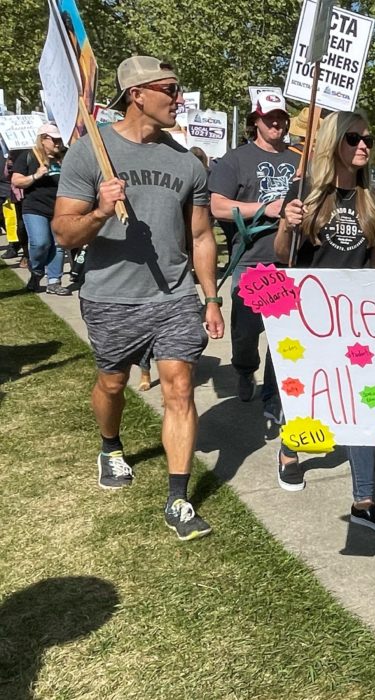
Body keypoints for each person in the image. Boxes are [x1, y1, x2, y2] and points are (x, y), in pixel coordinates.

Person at [54, 55, 224, 541]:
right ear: (138, 94)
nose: (179, 99)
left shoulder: (185, 161)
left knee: (179, 387)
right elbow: (65, 233)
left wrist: (210, 298)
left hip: (172, 295)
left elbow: (202, 236)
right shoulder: (91, 152)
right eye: (170, 89)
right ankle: (110, 446)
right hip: (111, 297)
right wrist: (102, 211)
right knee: (112, 384)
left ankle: (178, 499)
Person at [274, 111, 375, 535]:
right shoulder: (305, 192)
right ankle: (290, 450)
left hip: (356, 320)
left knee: (360, 402)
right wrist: (286, 225)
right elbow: (281, 255)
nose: (364, 145)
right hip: (309, 317)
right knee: (312, 398)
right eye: (354, 138)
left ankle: (364, 501)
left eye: (368, 138)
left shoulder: (372, 201)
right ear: (333, 143)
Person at [210, 90, 297, 422]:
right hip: (252, 261)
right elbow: (218, 205)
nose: (276, 122)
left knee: (283, 333)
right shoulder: (235, 159)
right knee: (247, 331)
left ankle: (274, 396)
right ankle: (245, 369)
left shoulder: (299, 159)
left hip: (289, 260)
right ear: (255, 121)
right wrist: (266, 208)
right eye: (269, 117)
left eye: (281, 117)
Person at [12, 123, 70, 295]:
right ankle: (37, 271)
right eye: (55, 139)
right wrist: (35, 175)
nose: (58, 143)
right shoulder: (28, 156)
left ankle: (54, 281)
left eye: (60, 139)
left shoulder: (66, 156)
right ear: (43, 139)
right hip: (35, 207)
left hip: (60, 207)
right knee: (40, 243)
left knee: (58, 245)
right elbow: (16, 180)